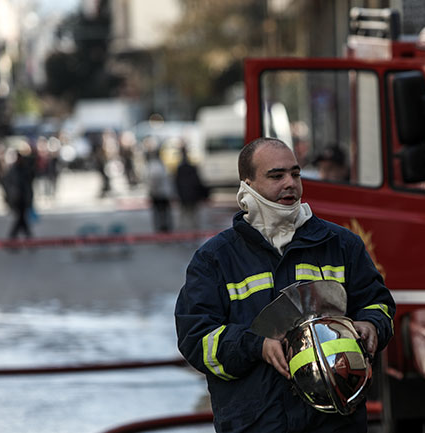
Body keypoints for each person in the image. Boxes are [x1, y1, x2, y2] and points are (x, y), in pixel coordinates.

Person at [175, 137, 395, 433]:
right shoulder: (215, 259)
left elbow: (378, 304)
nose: (290, 183)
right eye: (277, 176)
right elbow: (195, 339)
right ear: (248, 183)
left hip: (334, 423)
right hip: (257, 424)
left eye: (295, 173)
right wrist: (256, 346)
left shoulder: (341, 244)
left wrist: (372, 325)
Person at [2, 143, 36, 240]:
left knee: (22, 219)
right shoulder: (13, 170)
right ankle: (25, 238)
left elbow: (31, 178)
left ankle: (18, 238)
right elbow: (6, 182)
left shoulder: (25, 168)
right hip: (17, 199)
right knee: (21, 219)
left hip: (24, 198)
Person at [174, 146, 208, 230]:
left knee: (185, 215)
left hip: (184, 195)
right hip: (192, 195)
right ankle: (193, 230)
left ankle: (184, 230)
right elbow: (197, 182)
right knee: (193, 216)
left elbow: (177, 183)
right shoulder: (191, 168)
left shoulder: (180, 169)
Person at [146, 149, 174, 232]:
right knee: (163, 212)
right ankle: (164, 227)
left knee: (160, 213)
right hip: (162, 193)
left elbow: (155, 179)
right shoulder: (160, 165)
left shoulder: (153, 165)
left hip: (158, 194)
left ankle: (162, 228)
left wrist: (153, 191)